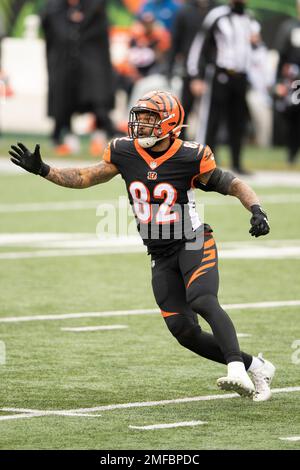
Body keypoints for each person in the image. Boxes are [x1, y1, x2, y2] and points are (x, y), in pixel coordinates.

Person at [9, 90, 275, 401]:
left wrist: (256, 209)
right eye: (141, 118)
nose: (142, 125)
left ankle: (236, 370)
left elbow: (233, 183)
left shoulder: (191, 155)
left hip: (192, 241)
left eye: (150, 119)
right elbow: (84, 176)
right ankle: (255, 366)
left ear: (170, 122)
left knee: (202, 299)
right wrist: (45, 170)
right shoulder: (124, 151)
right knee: (183, 331)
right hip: (159, 253)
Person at [187, 0, 260, 174]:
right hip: (220, 74)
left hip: (241, 76)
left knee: (238, 121)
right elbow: (199, 47)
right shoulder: (218, 16)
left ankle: (236, 163)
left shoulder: (250, 19)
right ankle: (204, 163)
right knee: (211, 119)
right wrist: (196, 76)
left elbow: (256, 49)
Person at [40, 0, 116, 156]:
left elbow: (100, 31)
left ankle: (100, 137)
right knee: (63, 101)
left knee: (97, 99)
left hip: (91, 61)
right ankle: (66, 138)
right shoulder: (54, 8)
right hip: (63, 63)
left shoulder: (95, 7)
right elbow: (51, 30)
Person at [167, 0, 213, 140]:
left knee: (211, 112)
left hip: (213, 69)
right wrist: (170, 68)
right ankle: (181, 144)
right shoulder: (184, 11)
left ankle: (209, 147)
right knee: (185, 109)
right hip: (190, 67)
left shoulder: (216, 10)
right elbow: (175, 41)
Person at [274, 0, 300, 164]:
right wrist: (279, 81)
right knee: (294, 116)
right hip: (294, 82)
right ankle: (291, 153)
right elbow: (281, 58)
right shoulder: (290, 27)